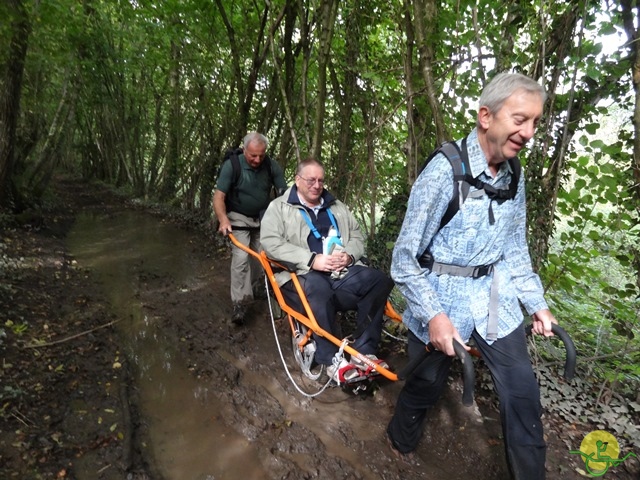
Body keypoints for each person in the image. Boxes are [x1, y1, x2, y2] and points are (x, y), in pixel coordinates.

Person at [386, 73, 558, 480]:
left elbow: (515, 249)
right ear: (486, 116)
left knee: (522, 393)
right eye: (520, 119)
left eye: (534, 122)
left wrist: (536, 303)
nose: (528, 132)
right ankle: (398, 442)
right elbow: (404, 259)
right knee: (425, 387)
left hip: (493, 297)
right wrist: (433, 315)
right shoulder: (444, 173)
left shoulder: (516, 177)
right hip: (441, 298)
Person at [260, 158, 394, 382]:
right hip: (300, 277)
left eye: (320, 180)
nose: (316, 185)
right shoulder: (279, 208)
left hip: (340, 275)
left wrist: (349, 256)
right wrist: (311, 260)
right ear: (297, 180)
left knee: (379, 280)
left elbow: (358, 237)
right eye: (311, 180)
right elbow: (270, 243)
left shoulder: (337, 207)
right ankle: (332, 359)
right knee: (318, 287)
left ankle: (363, 350)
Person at [213, 132, 287, 325]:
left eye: (261, 155)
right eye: (253, 155)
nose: (257, 159)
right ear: (244, 150)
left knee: (262, 257)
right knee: (240, 257)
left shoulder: (271, 165)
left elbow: (283, 193)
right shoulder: (233, 166)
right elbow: (219, 196)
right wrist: (223, 220)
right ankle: (239, 303)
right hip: (237, 218)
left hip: (263, 218)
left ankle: (254, 288)